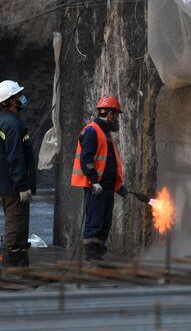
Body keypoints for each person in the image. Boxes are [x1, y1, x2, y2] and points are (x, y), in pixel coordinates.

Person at [71, 95, 128, 261]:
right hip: (96, 188)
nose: (117, 119)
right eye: (116, 115)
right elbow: (86, 160)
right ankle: (91, 257)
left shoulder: (105, 133)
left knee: (105, 223)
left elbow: (109, 163)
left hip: (107, 188)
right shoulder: (92, 131)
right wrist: (94, 181)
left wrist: (118, 186)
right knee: (94, 222)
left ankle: (98, 255)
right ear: (109, 114)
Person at [0, 80, 36, 267]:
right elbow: (15, 157)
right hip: (14, 185)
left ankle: (18, 259)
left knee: (15, 221)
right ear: (10, 101)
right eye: (18, 96)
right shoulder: (13, 124)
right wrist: (22, 185)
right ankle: (12, 265)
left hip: (4, 182)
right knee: (16, 224)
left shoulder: (0, 120)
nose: (21, 98)